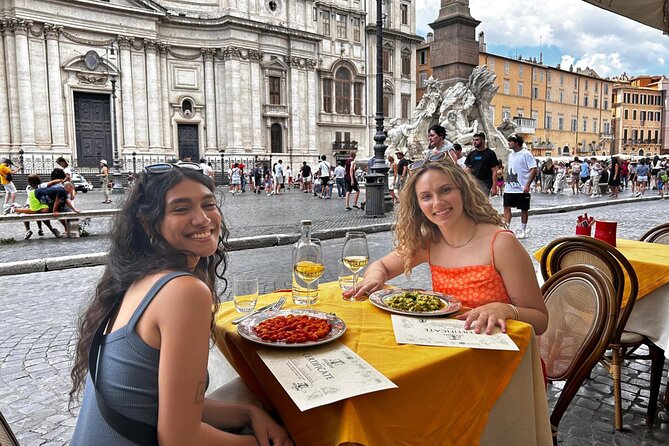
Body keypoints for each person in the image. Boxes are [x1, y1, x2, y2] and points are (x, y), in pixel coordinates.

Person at [69, 163, 292, 445]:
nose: (202, 219)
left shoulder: (136, 276)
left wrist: (248, 414)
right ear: (148, 223)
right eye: (181, 209)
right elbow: (180, 439)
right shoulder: (184, 292)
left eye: (208, 204)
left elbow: (164, 402)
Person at [344, 159, 548, 336]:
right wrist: (373, 278)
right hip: (451, 347)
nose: (438, 203)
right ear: (418, 206)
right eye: (426, 196)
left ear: (463, 191)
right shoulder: (429, 242)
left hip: (504, 356)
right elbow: (383, 266)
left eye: (445, 190)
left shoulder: (501, 244)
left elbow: (540, 321)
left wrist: (506, 309)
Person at [503, 134, 537, 239]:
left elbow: (533, 169)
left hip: (522, 187)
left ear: (517, 143)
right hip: (509, 187)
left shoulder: (526, 154)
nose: (508, 143)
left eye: (510, 141)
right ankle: (507, 227)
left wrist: (528, 184)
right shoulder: (510, 155)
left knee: (523, 209)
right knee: (506, 207)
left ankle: (523, 230)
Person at [14, 174, 62, 238]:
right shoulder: (41, 186)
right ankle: (49, 229)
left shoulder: (28, 187)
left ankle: (28, 230)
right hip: (40, 204)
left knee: (26, 214)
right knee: (42, 216)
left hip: (30, 204)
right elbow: (53, 182)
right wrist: (62, 180)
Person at [464, 132, 498, 196]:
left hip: (485, 183)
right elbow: (468, 169)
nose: (474, 142)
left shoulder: (490, 153)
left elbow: (494, 171)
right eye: (473, 140)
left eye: (477, 140)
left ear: (482, 141)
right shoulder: (471, 154)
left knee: (483, 202)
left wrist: (494, 186)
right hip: (474, 183)